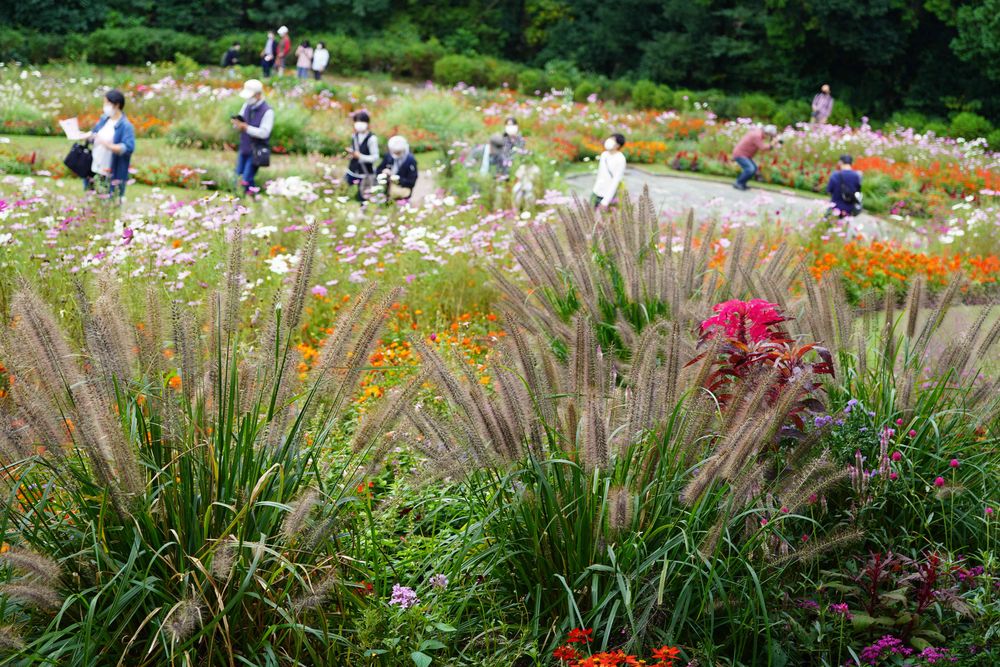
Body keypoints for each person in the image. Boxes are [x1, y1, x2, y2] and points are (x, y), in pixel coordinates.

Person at [81, 89, 135, 203]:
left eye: (107, 103)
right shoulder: (104, 120)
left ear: (116, 105)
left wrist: (107, 145)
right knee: (93, 200)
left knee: (110, 201)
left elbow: (128, 148)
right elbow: (95, 134)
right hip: (96, 165)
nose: (104, 106)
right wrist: (87, 136)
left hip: (111, 169)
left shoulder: (125, 126)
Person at [232, 79, 274, 196]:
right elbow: (241, 120)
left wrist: (246, 128)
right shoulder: (247, 105)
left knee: (246, 179)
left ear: (258, 95)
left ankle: (245, 204)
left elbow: (265, 132)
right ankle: (249, 202)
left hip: (256, 151)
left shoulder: (268, 111)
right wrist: (237, 124)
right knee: (238, 177)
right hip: (244, 148)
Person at [345, 111, 379, 202]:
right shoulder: (354, 136)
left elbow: (375, 157)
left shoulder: (372, 138)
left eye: (361, 122)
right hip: (352, 171)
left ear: (367, 123)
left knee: (363, 198)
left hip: (364, 173)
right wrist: (351, 155)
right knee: (347, 194)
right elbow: (355, 150)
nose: (358, 124)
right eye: (356, 121)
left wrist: (360, 156)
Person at [732, 124, 778, 191]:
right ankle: (738, 183)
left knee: (755, 169)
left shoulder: (758, 133)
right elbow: (762, 147)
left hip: (745, 155)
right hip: (740, 154)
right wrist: (772, 144)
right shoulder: (757, 135)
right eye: (770, 136)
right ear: (767, 133)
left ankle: (742, 184)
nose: (769, 137)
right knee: (750, 169)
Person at [376, 135, 418, 200]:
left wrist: (396, 178)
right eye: (394, 152)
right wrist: (383, 171)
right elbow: (378, 170)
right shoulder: (389, 156)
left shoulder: (410, 160)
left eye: (398, 153)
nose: (395, 154)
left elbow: (411, 182)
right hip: (387, 192)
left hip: (402, 194)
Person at [591, 133, 626, 209]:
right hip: (597, 191)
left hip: (609, 195)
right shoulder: (604, 155)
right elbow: (600, 174)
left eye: (613, 140)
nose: (609, 141)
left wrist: (605, 201)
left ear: (618, 145)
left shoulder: (620, 159)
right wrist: (595, 190)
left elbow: (616, 180)